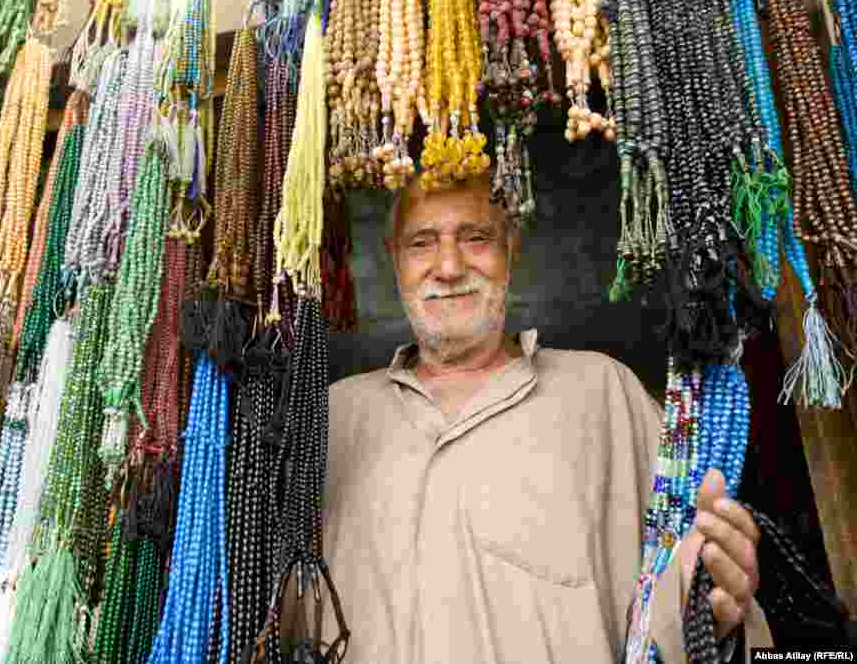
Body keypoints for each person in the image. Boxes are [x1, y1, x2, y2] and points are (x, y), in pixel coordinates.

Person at [319, 175, 773, 663]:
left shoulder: (604, 394)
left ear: (510, 250)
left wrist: (708, 614)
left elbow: (678, 596)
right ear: (395, 260)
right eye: (422, 243)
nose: (448, 266)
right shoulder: (333, 418)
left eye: (476, 238)